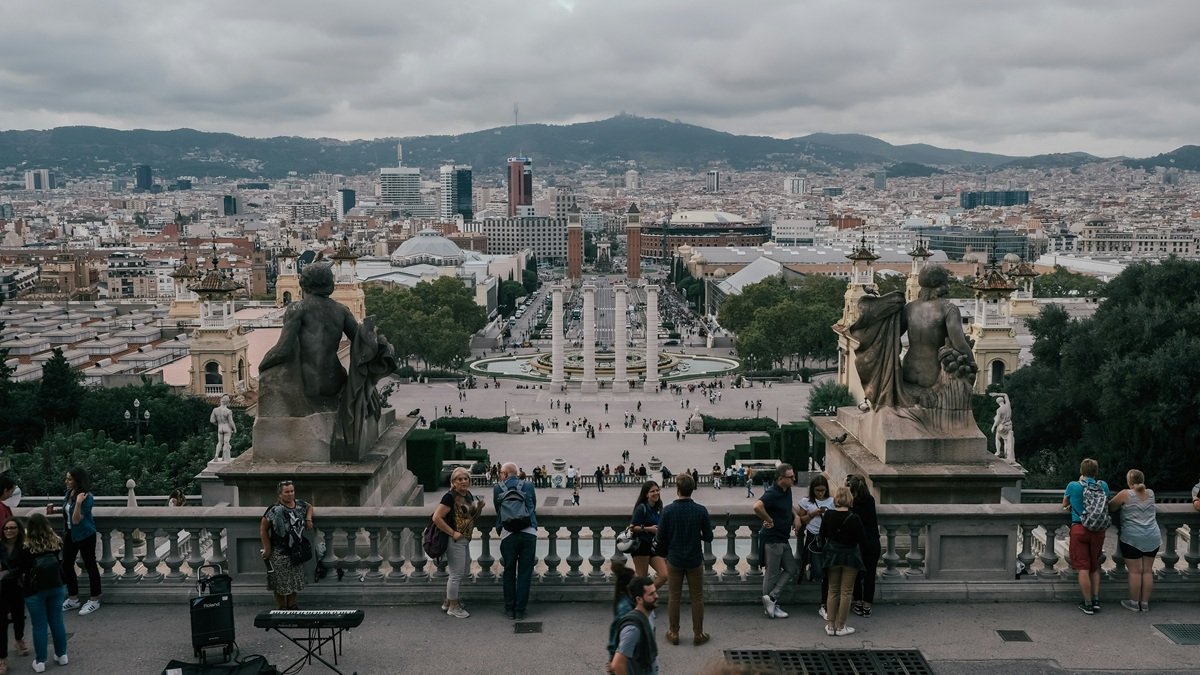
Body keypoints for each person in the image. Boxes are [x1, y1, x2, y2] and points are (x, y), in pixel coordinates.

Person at [654, 473, 713, 647]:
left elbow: (660, 537)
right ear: (692, 489)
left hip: (674, 559)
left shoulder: (668, 511)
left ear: (677, 490)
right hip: (694, 559)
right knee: (697, 597)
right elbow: (709, 537)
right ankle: (698, 633)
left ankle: (674, 633)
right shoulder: (700, 510)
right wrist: (697, 534)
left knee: (674, 597)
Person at [16, 514, 68, 673]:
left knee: (39, 626)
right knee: (57, 621)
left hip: (34, 590)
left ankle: (40, 662)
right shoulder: (56, 542)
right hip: (56, 586)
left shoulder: (26, 546)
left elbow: (22, 569)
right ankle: (62, 655)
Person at [45, 467, 101, 616]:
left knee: (90, 565)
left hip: (85, 534)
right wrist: (56, 511)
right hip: (70, 534)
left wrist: (78, 503)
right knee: (66, 565)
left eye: (69, 479)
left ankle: (94, 600)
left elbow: (76, 520)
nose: (66, 481)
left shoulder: (87, 497)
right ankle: (73, 598)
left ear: (78, 480)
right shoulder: (69, 493)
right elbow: (68, 512)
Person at [433, 467, 485, 618]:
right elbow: (436, 518)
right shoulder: (449, 497)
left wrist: (479, 508)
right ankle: (453, 607)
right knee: (456, 574)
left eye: (465, 478)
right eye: (459, 479)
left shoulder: (468, 495)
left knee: (462, 571)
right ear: (453, 482)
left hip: (464, 539)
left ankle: (449, 601)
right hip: (454, 539)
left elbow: (470, 518)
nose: (463, 481)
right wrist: (453, 533)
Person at [1062, 458, 1110, 615]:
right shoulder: (1103, 485)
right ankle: (1096, 600)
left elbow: (1064, 504)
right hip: (1098, 530)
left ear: (1081, 471)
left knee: (1083, 567)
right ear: (1096, 472)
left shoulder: (1073, 486)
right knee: (1094, 566)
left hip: (1080, 529)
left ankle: (1087, 603)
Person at [1108, 469, 1160, 612]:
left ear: (1129, 481)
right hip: (1152, 535)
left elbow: (1111, 507)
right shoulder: (1150, 493)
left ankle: (1133, 603)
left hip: (1132, 537)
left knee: (1135, 572)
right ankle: (1144, 604)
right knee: (1148, 571)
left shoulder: (1125, 494)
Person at [259, 480, 314, 610]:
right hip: (279, 551)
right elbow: (263, 529)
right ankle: (282, 607)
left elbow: (310, 506)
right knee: (280, 582)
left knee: (294, 581)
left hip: (297, 551)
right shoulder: (274, 510)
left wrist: (308, 519)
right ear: (280, 494)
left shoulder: (300, 504)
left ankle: (292, 606)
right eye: (287, 492)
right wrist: (267, 548)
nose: (290, 494)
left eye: (292, 491)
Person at [754, 464, 800, 620]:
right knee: (772, 573)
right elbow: (757, 506)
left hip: (782, 537)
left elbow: (788, 506)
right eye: (790, 477)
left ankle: (772, 598)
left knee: (791, 568)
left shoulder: (787, 490)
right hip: (773, 538)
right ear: (781, 479)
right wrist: (768, 519)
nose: (794, 478)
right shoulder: (772, 493)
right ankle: (770, 606)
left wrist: (797, 516)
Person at [819, 486, 866, 637]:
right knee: (846, 592)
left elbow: (822, 535)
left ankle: (830, 624)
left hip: (832, 556)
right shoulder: (854, 517)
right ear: (849, 498)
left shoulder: (828, 515)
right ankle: (841, 627)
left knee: (832, 590)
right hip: (850, 556)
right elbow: (862, 539)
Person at [493, 462, 537, 620]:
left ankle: (509, 608)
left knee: (509, 571)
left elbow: (499, 511)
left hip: (508, 534)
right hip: (528, 532)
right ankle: (520, 610)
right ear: (516, 473)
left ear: (504, 474)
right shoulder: (529, 485)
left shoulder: (498, 488)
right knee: (525, 572)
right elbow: (533, 507)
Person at [797, 474, 833, 619]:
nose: (820, 493)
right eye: (817, 490)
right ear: (812, 490)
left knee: (826, 572)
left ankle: (824, 603)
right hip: (812, 537)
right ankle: (810, 570)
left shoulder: (832, 501)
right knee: (819, 570)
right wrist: (813, 514)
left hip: (826, 538)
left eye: (822, 490)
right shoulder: (806, 502)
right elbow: (801, 520)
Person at [608, 576, 660, 675]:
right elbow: (617, 664)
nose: (656, 596)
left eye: (655, 592)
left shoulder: (650, 615)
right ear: (639, 599)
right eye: (651, 594)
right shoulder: (632, 630)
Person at [847, 475, 880, 618]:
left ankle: (858, 603)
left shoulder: (851, 503)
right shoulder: (870, 500)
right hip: (873, 541)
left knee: (856, 574)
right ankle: (867, 606)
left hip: (857, 543)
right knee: (870, 575)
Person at [0, 518, 30, 672]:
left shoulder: (23, 547)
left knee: (19, 617)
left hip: (17, 587)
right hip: (1, 589)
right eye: (6, 528)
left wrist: (7, 572)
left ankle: (19, 639)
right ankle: (2, 658)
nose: (9, 531)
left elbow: (25, 567)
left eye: (12, 528)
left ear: (18, 530)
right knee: (1, 624)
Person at [629, 481, 667, 590]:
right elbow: (632, 527)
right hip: (641, 546)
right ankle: (637, 601)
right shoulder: (641, 508)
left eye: (657, 490)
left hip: (654, 546)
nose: (656, 493)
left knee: (664, 575)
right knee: (642, 578)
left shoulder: (659, 507)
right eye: (652, 491)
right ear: (646, 494)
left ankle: (647, 595)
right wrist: (649, 529)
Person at [605, 562, 636, 668]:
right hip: (625, 656)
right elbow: (616, 633)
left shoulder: (624, 599)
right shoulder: (625, 608)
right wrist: (613, 658)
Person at [210, 395, 237, 461]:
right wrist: (234, 428)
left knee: (219, 442)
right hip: (227, 427)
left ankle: (216, 455)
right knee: (226, 443)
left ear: (220, 400)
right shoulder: (228, 411)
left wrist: (218, 424)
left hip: (220, 427)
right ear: (227, 402)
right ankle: (225, 458)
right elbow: (231, 421)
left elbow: (212, 420)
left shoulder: (215, 410)